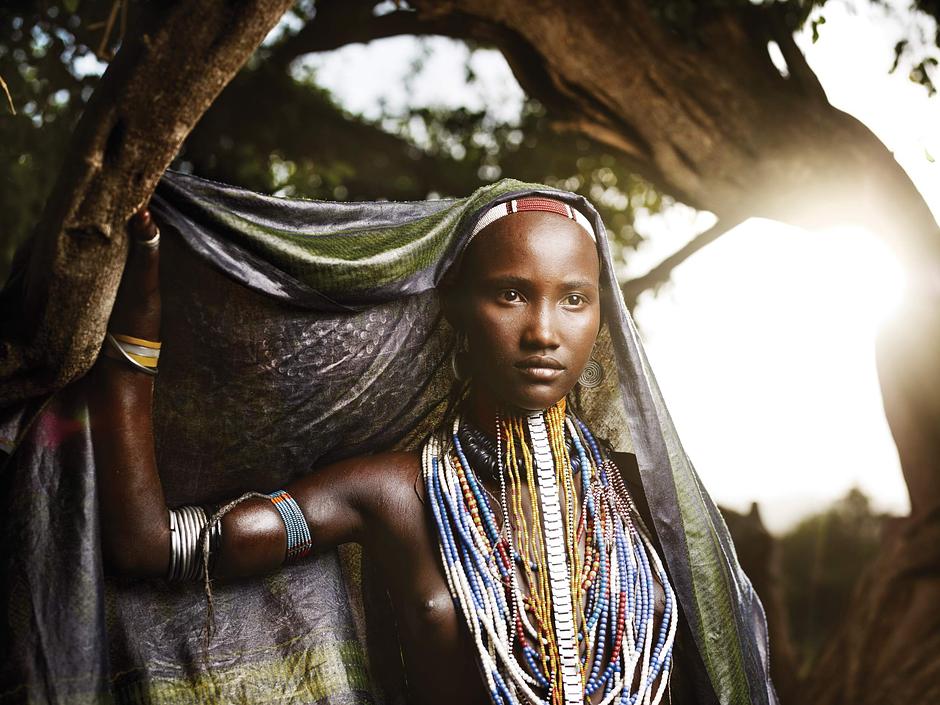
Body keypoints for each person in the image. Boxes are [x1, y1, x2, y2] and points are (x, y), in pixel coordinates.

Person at [91, 199, 679, 705]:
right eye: (511, 294)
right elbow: (146, 547)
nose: (544, 332)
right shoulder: (393, 494)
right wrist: (134, 337)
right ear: (456, 306)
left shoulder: (641, 490)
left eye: (575, 299)